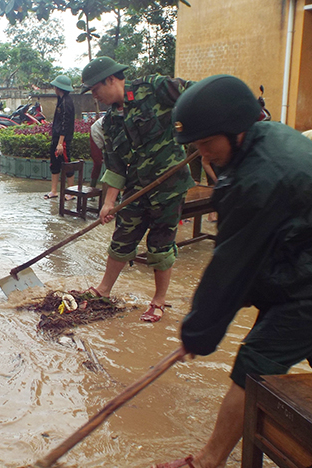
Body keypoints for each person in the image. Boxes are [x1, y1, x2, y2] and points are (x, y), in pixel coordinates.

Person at [153, 74, 312, 468]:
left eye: (207, 143)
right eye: (196, 145)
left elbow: (230, 266)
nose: (202, 154)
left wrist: (199, 331)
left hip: (305, 283)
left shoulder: (259, 179)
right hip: (297, 264)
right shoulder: (266, 137)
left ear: (237, 131)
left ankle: (208, 461)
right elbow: (258, 252)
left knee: (255, 364)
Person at [80, 57, 195, 322]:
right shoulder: (109, 123)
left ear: (110, 79)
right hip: (135, 189)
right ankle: (103, 290)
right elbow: (116, 166)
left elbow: (196, 95)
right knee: (121, 239)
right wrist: (108, 202)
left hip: (169, 186)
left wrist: (204, 130)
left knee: (160, 244)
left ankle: (159, 300)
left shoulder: (154, 88)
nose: (94, 96)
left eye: (95, 89)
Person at [44, 75, 76, 200]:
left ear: (59, 88)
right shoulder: (60, 100)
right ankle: (54, 190)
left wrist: (60, 143)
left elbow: (65, 123)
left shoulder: (67, 102)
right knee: (55, 163)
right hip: (56, 138)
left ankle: (71, 191)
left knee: (67, 163)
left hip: (63, 140)